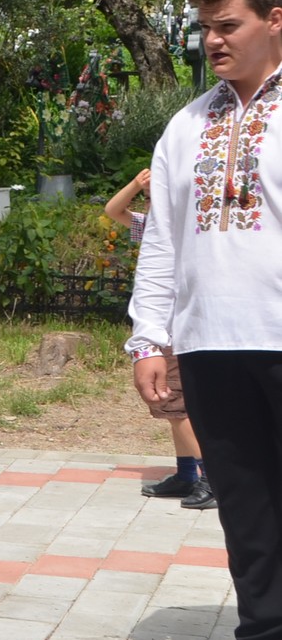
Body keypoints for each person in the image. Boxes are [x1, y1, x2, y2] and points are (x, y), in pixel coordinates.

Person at [132, 0, 282, 640]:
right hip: (213, 343)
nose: (213, 41)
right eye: (205, 27)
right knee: (247, 508)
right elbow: (162, 239)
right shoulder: (187, 125)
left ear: (274, 19)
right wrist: (151, 338)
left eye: (229, 25)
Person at [105, 168, 211, 508]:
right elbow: (112, 210)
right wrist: (136, 184)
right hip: (159, 334)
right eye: (151, 198)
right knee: (171, 406)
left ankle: (211, 479)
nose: (154, 203)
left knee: (178, 408)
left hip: (180, 332)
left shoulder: (192, 232)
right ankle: (186, 474)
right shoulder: (152, 227)